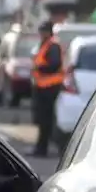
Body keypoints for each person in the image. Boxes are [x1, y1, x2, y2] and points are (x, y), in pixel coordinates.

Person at [29, 21, 63, 157]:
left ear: (49, 32)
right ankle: (40, 147)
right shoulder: (45, 45)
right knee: (42, 119)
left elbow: (54, 64)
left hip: (49, 87)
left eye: (43, 31)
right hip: (42, 87)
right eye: (40, 31)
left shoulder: (53, 46)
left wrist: (40, 68)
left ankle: (42, 149)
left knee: (46, 120)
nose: (41, 34)